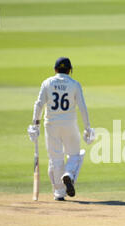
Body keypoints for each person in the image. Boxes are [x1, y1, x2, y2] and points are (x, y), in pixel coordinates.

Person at [28, 57, 95, 201]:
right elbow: (82, 107)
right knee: (74, 155)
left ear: (55, 69)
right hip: (70, 124)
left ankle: (59, 192)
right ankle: (69, 174)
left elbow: (39, 104)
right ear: (70, 70)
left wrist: (35, 125)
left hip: (51, 125)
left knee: (56, 158)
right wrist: (87, 127)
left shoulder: (47, 82)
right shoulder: (75, 84)